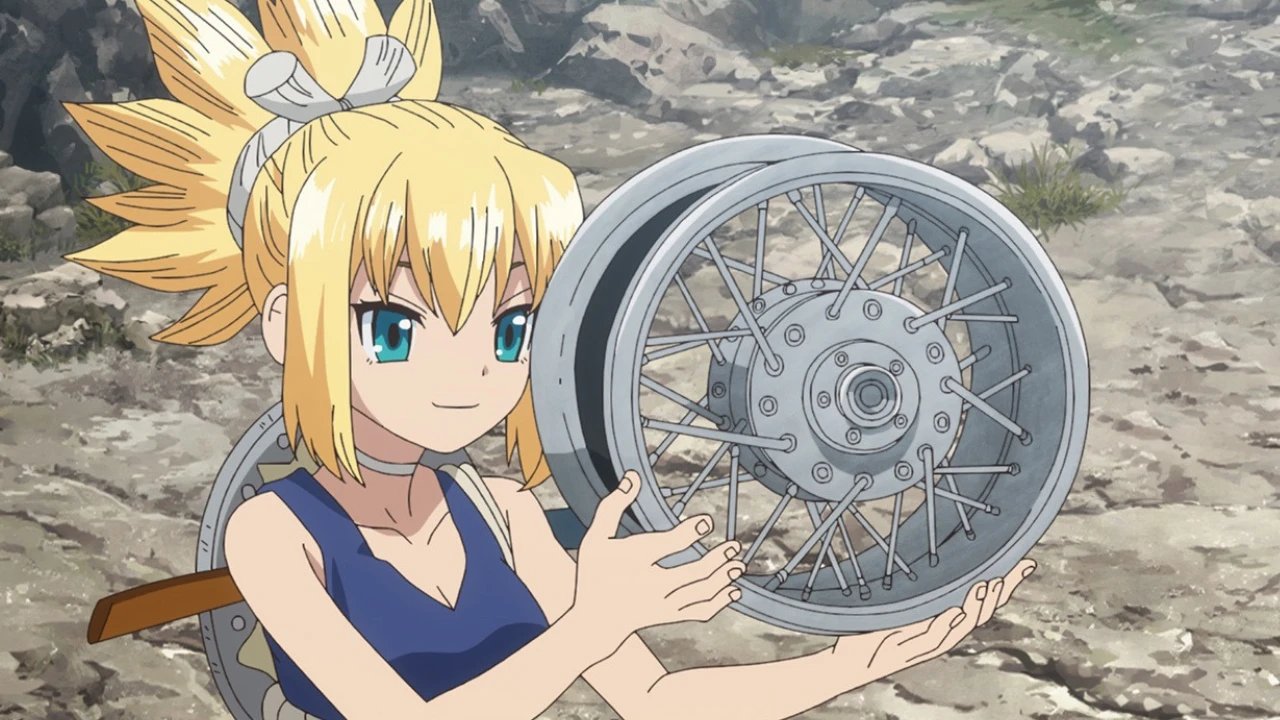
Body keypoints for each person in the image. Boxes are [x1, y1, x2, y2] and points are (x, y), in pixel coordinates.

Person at [63, 0, 1038, 717]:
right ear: (288, 326)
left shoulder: (508, 514)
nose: (468, 374)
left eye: (509, 332)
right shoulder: (274, 536)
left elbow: (656, 701)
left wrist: (868, 657)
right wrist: (590, 622)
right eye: (396, 329)